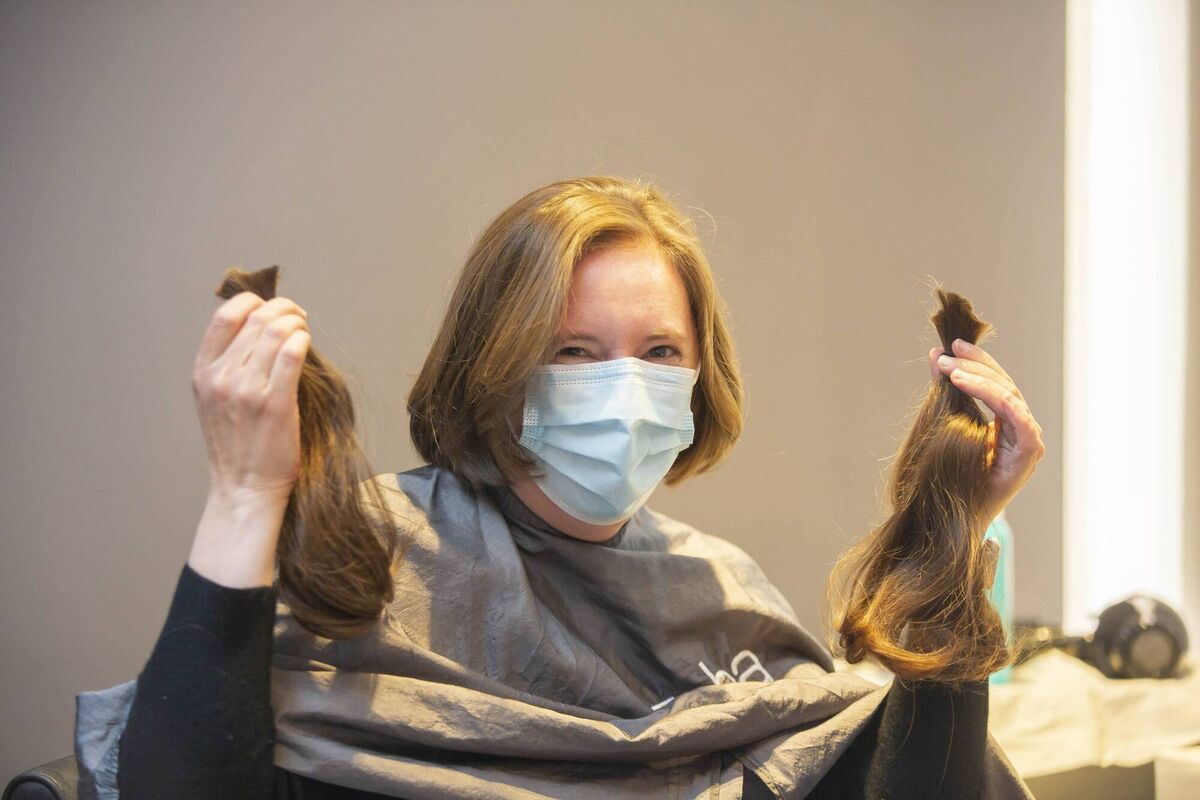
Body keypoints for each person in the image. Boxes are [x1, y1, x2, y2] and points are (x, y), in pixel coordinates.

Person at [75, 176, 1043, 799]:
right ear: (492, 364)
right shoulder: (362, 560)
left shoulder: (725, 593)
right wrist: (247, 495)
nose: (623, 387)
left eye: (658, 352)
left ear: (699, 376)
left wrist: (952, 541)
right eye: (572, 351)